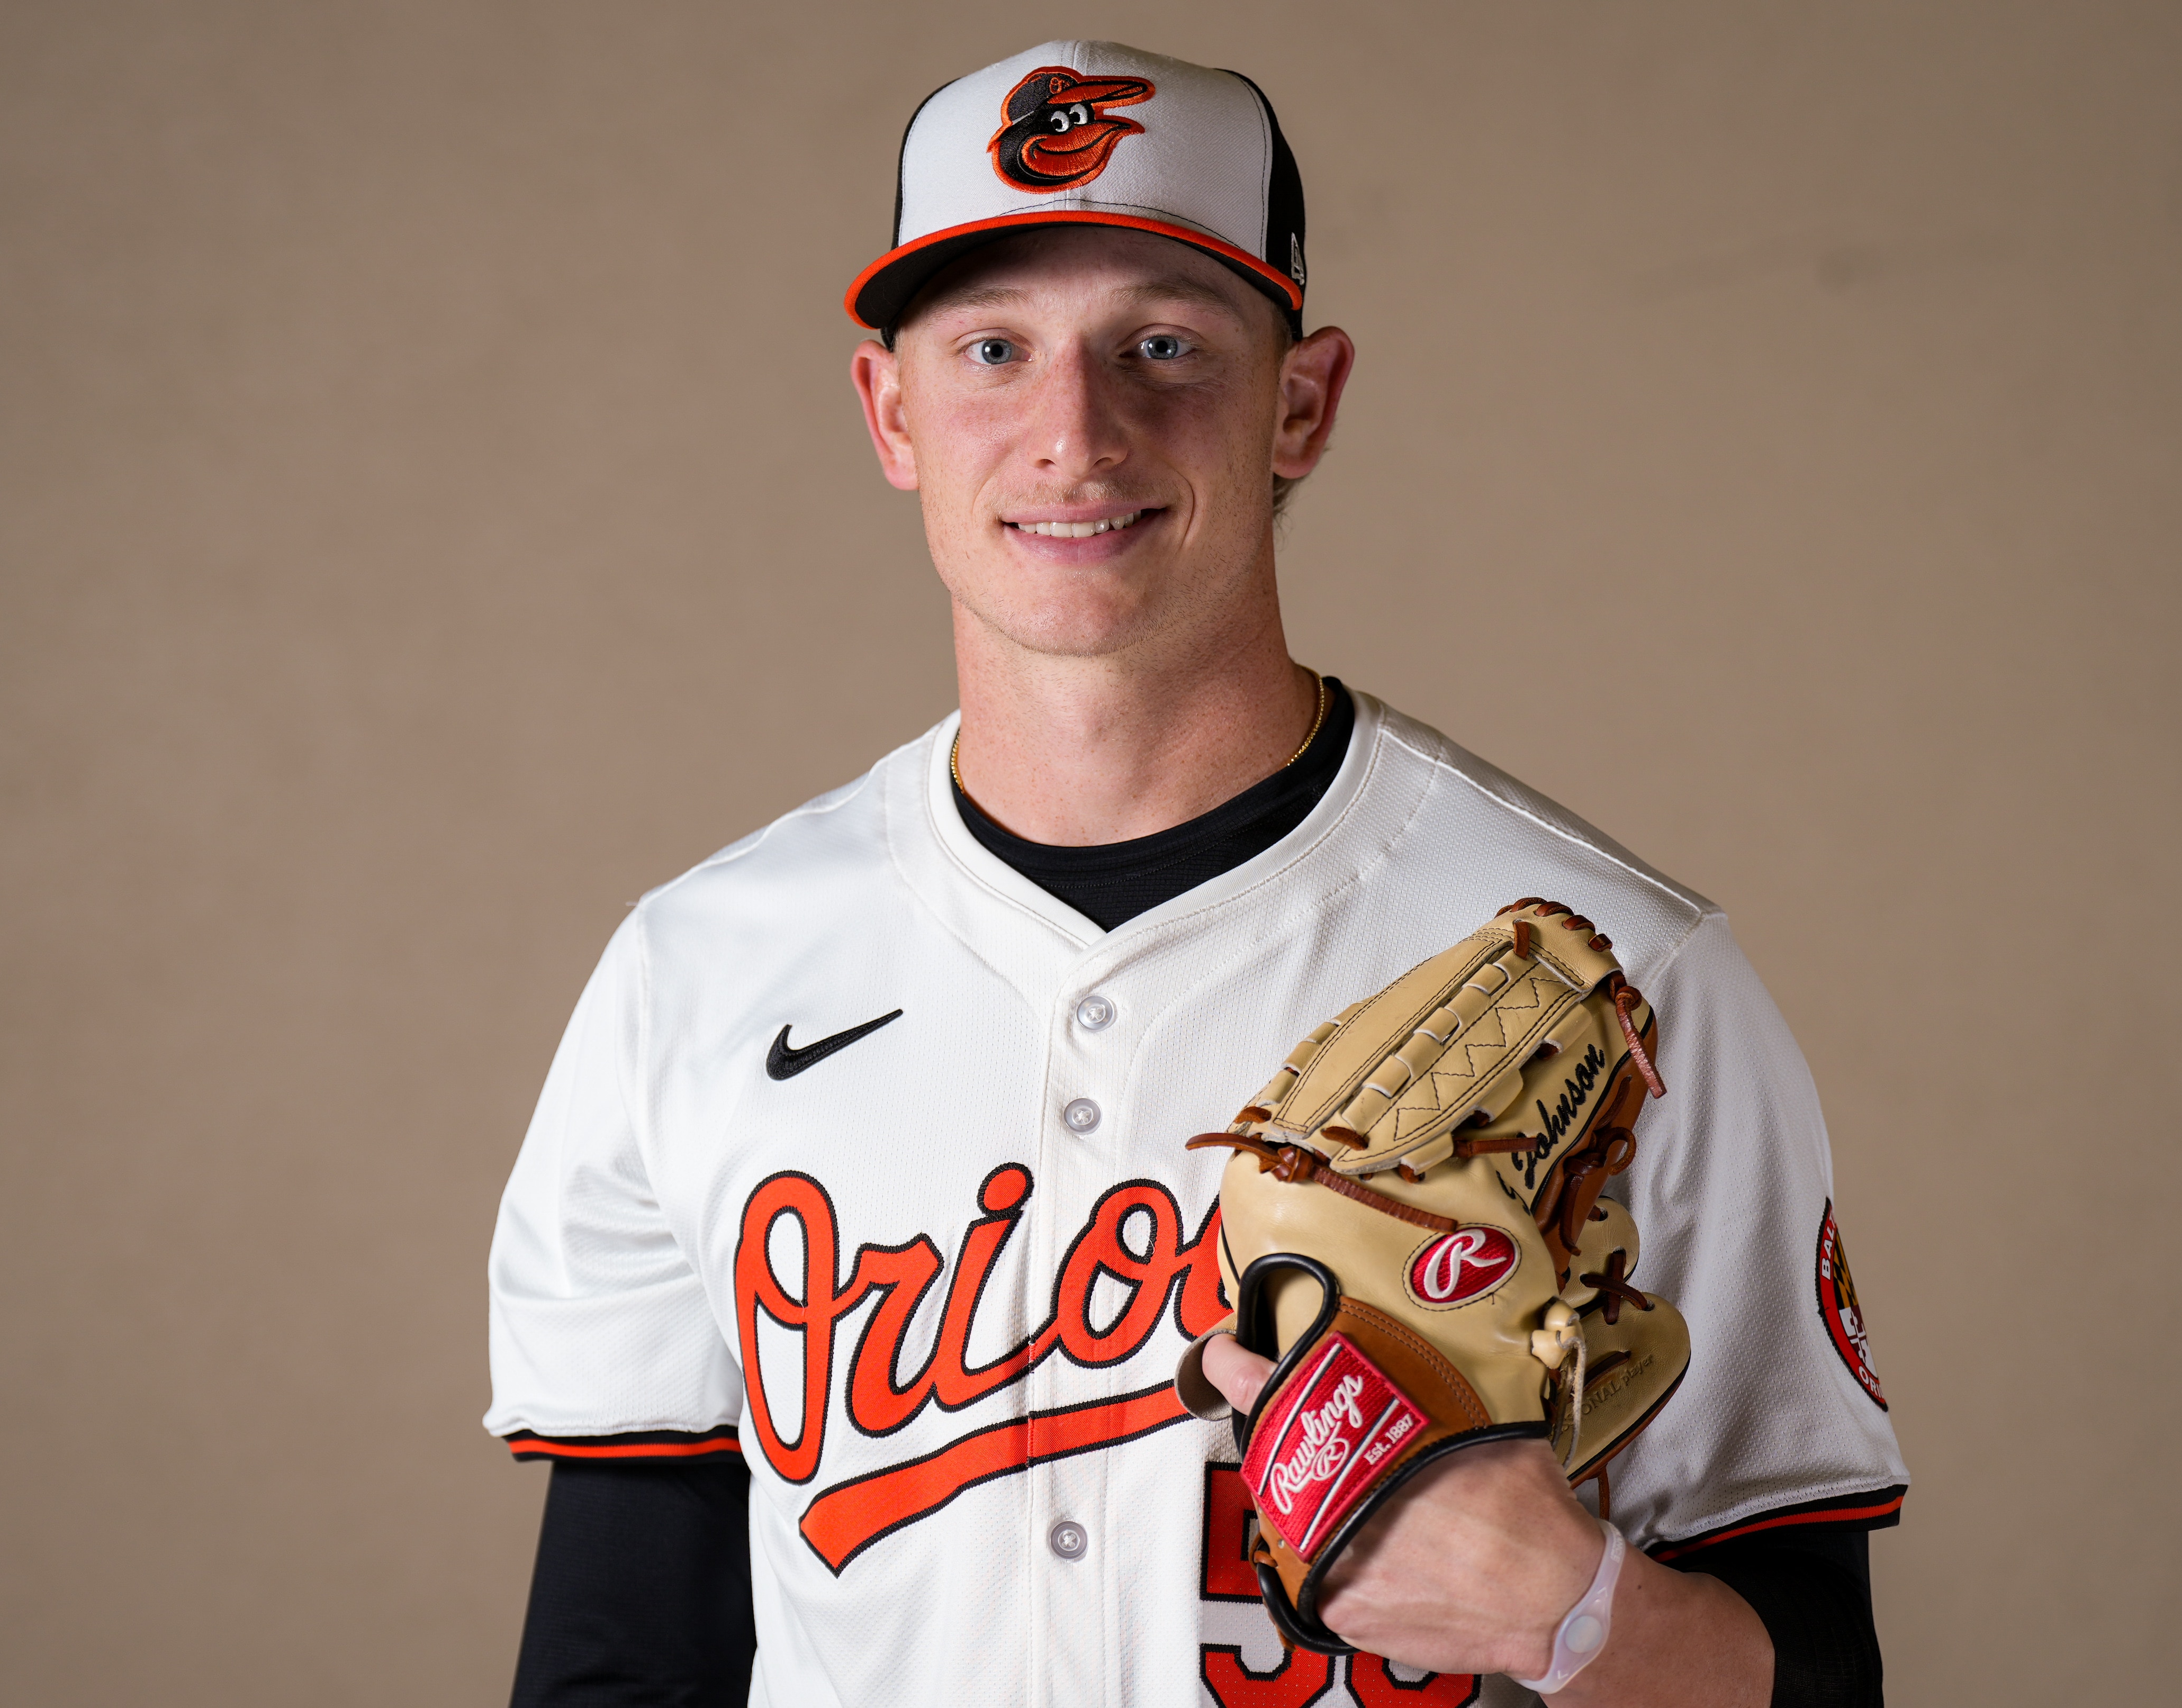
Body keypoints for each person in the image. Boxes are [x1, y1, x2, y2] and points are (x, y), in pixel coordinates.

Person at [486, 41, 1906, 1708]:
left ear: (1299, 399)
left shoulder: (1619, 977)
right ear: (890, 412)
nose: (1072, 433)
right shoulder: (702, 970)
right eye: (993, 351)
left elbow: (1818, 1672)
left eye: (1161, 346)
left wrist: (1583, 1612)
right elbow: (617, 1655)